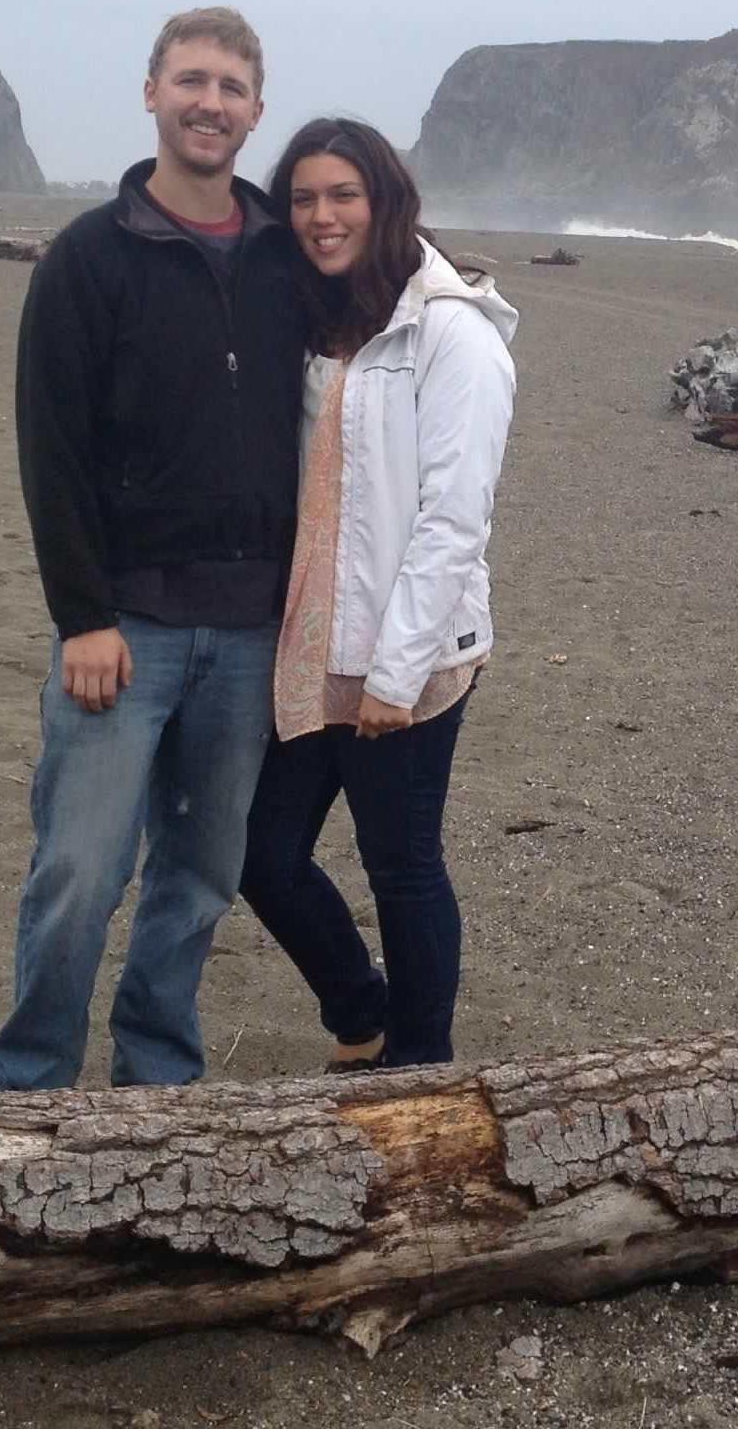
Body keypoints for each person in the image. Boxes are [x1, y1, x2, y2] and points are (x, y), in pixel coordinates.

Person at [0, 7, 308, 1091]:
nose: (210, 101)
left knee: (202, 872)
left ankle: (156, 1069)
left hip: (252, 626)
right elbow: (51, 446)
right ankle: (28, 1077)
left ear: (257, 109)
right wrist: (82, 613)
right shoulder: (88, 257)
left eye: (231, 86)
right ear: (152, 91)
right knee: (77, 867)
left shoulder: (284, 257)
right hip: (126, 628)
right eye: (191, 79)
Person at [238, 119, 517, 1072]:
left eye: (342, 195)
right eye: (305, 197)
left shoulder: (450, 333)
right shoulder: (316, 320)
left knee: (402, 868)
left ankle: (419, 1064)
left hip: (413, 654)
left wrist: (395, 675)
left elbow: (452, 521)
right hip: (317, 641)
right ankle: (361, 1012)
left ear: (385, 200)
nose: (322, 215)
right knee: (261, 854)